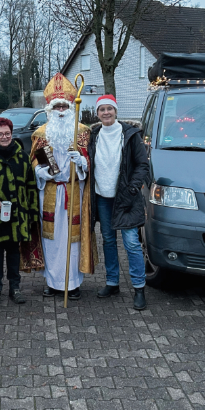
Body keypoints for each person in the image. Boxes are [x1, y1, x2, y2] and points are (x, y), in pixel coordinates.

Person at [30, 73, 96, 298]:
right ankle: (52, 281)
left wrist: (82, 163)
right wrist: (41, 172)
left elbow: (90, 164)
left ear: (70, 107)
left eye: (63, 106)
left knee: (72, 238)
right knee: (51, 238)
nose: (60, 111)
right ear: (49, 108)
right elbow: (35, 161)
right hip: (50, 191)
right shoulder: (41, 133)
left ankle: (73, 284)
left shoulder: (82, 132)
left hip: (73, 190)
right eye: (56, 107)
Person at [88, 94, 151, 310]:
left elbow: (142, 164)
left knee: (131, 242)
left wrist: (133, 186)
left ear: (116, 111)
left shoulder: (130, 135)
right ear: (97, 114)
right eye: (101, 110)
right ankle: (112, 282)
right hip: (102, 197)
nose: (106, 113)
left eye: (109, 109)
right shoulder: (94, 135)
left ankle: (139, 287)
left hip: (126, 197)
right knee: (107, 240)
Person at [0, 117, 41, 306]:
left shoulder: (22, 157)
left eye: (7, 133)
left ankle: (15, 287)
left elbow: (31, 185)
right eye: (0, 134)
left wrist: (31, 213)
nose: (4, 137)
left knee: (14, 253)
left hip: (17, 215)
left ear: (11, 134)